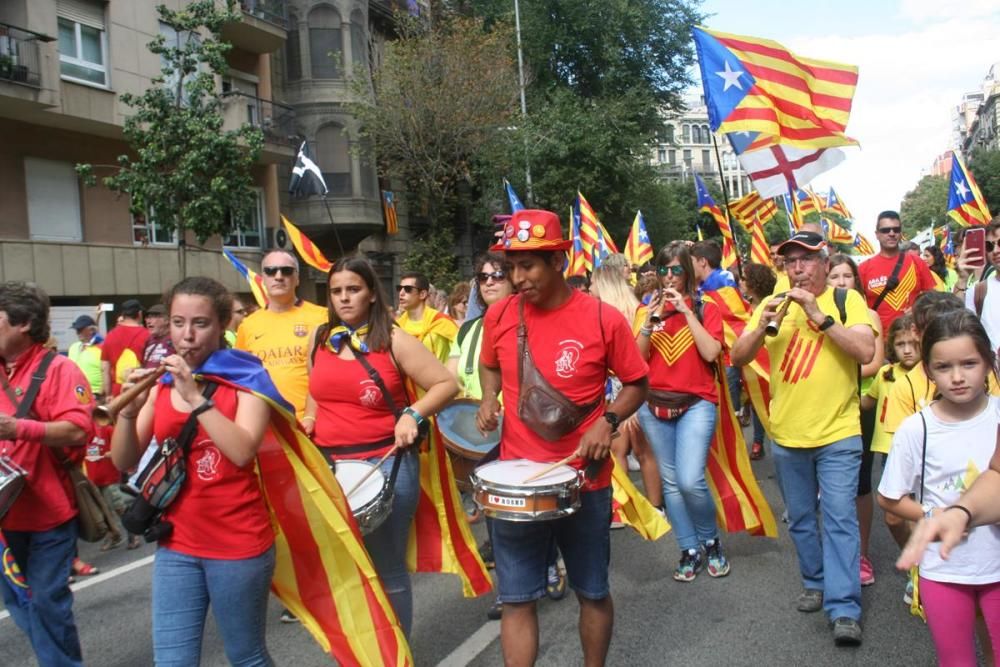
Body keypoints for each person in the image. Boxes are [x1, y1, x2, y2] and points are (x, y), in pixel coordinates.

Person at [476, 208, 648, 667]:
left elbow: (636, 382)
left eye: (528, 264)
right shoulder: (498, 316)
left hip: (583, 480)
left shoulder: (602, 318)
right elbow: (490, 363)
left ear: (559, 261)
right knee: (516, 598)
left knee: (591, 591)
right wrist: (489, 397)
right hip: (517, 483)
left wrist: (607, 422)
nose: (517, 276)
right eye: (511, 265)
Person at [110, 277, 275, 665]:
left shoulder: (249, 379)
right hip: (177, 543)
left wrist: (196, 398)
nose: (187, 335)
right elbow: (123, 460)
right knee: (171, 661)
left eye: (200, 324)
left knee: (246, 656)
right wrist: (128, 410)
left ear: (220, 326)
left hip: (238, 543)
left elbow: (241, 452)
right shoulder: (162, 383)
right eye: (178, 322)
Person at [731, 230, 875, 647]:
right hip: (788, 435)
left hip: (839, 432)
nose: (798, 267)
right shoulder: (770, 305)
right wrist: (762, 326)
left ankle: (845, 607)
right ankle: (815, 580)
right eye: (790, 260)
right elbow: (737, 357)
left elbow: (865, 352)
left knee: (839, 517)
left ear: (825, 264)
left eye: (807, 259)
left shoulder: (847, 301)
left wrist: (820, 315)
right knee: (799, 518)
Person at [303, 256, 458, 638]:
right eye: (336, 291)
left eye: (353, 289)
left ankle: (395, 654)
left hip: (385, 462)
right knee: (344, 569)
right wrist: (308, 419)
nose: (344, 299)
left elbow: (445, 384)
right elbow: (316, 393)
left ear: (372, 294)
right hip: (329, 466)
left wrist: (413, 414)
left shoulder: (394, 339)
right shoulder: (319, 338)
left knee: (386, 568)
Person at [877, 310, 1000, 667]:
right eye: (944, 367)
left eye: (969, 363)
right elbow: (889, 497)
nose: (958, 377)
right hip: (944, 572)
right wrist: (934, 514)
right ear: (928, 371)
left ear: (988, 363)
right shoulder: (917, 428)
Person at [0, 281, 93, 667]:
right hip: (4, 519)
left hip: (48, 516)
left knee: (47, 603)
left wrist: (18, 429)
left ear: (22, 323)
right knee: (20, 603)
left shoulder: (59, 369)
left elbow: (78, 429)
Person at [634, 241, 729, 582]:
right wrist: (647, 322)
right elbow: (635, 362)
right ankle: (688, 548)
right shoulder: (646, 309)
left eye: (676, 270)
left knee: (690, 480)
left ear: (688, 273)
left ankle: (711, 541)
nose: (669, 277)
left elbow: (710, 353)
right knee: (672, 483)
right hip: (653, 404)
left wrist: (687, 312)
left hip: (696, 403)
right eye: (663, 270)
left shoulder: (707, 307)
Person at [827, 254, 885, 588]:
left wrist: (835, 376)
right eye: (834, 275)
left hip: (860, 404)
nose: (841, 281)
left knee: (860, 483)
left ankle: (861, 552)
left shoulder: (869, 315)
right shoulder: (815, 314)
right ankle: (836, 552)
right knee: (833, 489)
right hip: (824, 409)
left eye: (847, 275)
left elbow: (875, 362)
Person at [590, 263, 662, 515]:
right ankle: (632, 508)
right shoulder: (611, 314)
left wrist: (631, 404)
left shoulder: (632, 315)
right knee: (623, 450)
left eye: (593, 283)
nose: (589, 288)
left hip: (637, 390)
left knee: (640, 450)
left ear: (605, 286)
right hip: (623, 391)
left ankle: (649, 508)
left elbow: (638, 362)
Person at [235, 250, 327, 420]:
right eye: (270, 271)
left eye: (286, 270)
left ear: (297, 278)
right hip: (265, 424)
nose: (278, 276)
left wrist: (311, 416)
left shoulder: (322, 317)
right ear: (263, 279)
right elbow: (241, 377)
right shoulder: (248, 325)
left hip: (312, 422)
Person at [861, 314, 919, 554]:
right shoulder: (885, 373)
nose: (907, 350)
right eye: (900, 344)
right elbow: (866, 403)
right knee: (894, 518)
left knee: (919, 514)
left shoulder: (931, 375)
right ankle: (915, 563)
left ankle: (921, 573)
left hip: (921, 454)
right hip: (890, 453)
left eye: (913, 344)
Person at [858, 210, 937, 332]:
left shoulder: (916, 262)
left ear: (900, 233)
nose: (891, 233)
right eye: (885, 230)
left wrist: (919, 307)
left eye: (896, 230)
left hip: (913, 338)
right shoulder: (864, 268)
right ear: (877, 234)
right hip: (879, 341)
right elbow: (855, 307)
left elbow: (933, 297)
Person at [739, 263, 777, 460]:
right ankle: (757, 440)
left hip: (770, 363)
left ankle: (777, 440)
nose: (740, 282)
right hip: (748, 364)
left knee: (770, 400)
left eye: (744, 279)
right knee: (755, 402)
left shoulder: (774, 306)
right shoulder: (740, 308)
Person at [955, 217, 1000, 350]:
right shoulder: (979, 291)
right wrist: (962, 278)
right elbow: (957, 326)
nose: (996, 251)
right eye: (989, 246)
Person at [396, 271, 458, 365]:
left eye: (408, 289)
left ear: (422, 294)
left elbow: (462, 351)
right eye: (399, 288)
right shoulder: (398, 326)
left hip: (440, 378)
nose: (401, 293)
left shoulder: (441, 321)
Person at [101, 298, 150, 397]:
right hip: (141, 391)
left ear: (122, 315)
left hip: (118, 392)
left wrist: (108, 394)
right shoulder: (147, 335)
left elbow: (105, 369)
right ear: (139, 314)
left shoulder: (110, 335)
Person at [68, 314, 104, 403]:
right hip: (76, 393)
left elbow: (108, 373)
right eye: (76, 330)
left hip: (96, 394)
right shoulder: (73, 347)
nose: (77, 333)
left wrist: (99, 395)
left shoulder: (102, 348)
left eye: (80, 330)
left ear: (91, 330)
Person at [141, 303, 174, 369]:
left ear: (167, 320)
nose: (148, 321)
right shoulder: (148, 340)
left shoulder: (175, 340)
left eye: (154, 317)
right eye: (148, 317)